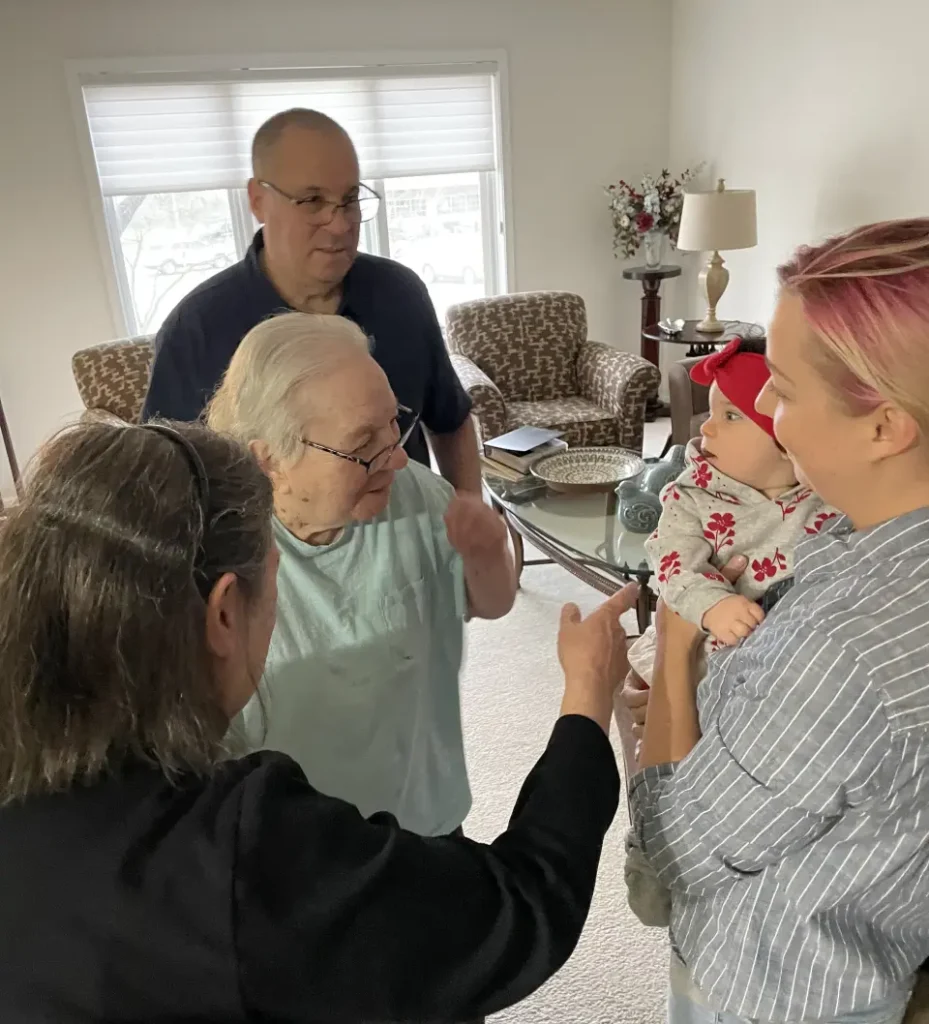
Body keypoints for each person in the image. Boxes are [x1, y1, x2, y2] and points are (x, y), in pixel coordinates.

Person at [0, 416, 639, 1021]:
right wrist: (587, 694)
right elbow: (520, 906)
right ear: (224, 613)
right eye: (274, 578)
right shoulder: (243, 854)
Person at [629, 218, 929, 1024]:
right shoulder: (846, 550)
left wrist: (669, 660)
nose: (761, 402)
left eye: (784, 390)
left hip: (775, 990)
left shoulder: (842, 647)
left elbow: (676, 853)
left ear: (884, 426)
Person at [207, 311, 514, 839]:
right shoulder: (223, 562)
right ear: (269, 460)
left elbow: (492, 603)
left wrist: (487, 554)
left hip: (427, 818)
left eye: (394, 424)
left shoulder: (417, 495)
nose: (396, 459)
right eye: (362, 443)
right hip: (302, 847)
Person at [141, 107, 482, 493]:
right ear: (258, 200)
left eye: (350, 199)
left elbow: (450, 420)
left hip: (412, 528)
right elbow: (163, 486)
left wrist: (469, 503)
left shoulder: (401, 296)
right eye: (312, 201)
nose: (340, 224)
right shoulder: (195, 330)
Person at [622, 337, 834, 927]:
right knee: (683, 751)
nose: (705, 428)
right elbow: (670, 564)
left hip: (774, 674)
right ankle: (659, 855)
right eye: (711, 411)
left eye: (731, 416)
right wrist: (712, 604)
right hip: (702, 645)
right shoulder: (694, 494)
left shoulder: (821, 498)